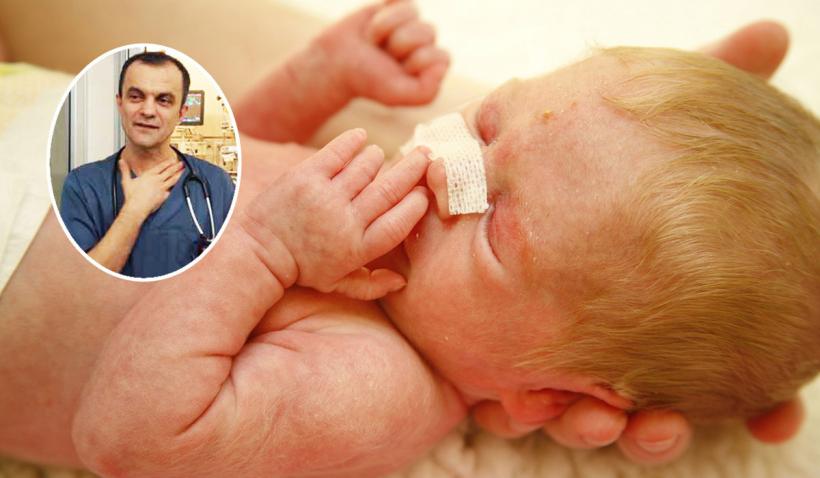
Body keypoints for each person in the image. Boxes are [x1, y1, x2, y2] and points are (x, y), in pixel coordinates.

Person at [0, 1, 807, 473]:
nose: (443, 168)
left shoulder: (379, 384)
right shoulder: (366, 229)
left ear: (546, 395)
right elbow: (216, 178)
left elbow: (126, 441)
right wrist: (317, 80)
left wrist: (264, 254)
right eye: (487, 124)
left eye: (495, 223)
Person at [58, 51, 236, 278]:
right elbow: (81, 280)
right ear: (120, 103)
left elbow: (231, 271)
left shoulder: (216, 183)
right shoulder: (83, 185)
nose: (148, 111)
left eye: (164, 100)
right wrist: (134, 211)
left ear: (181, 112)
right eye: (136, 97)